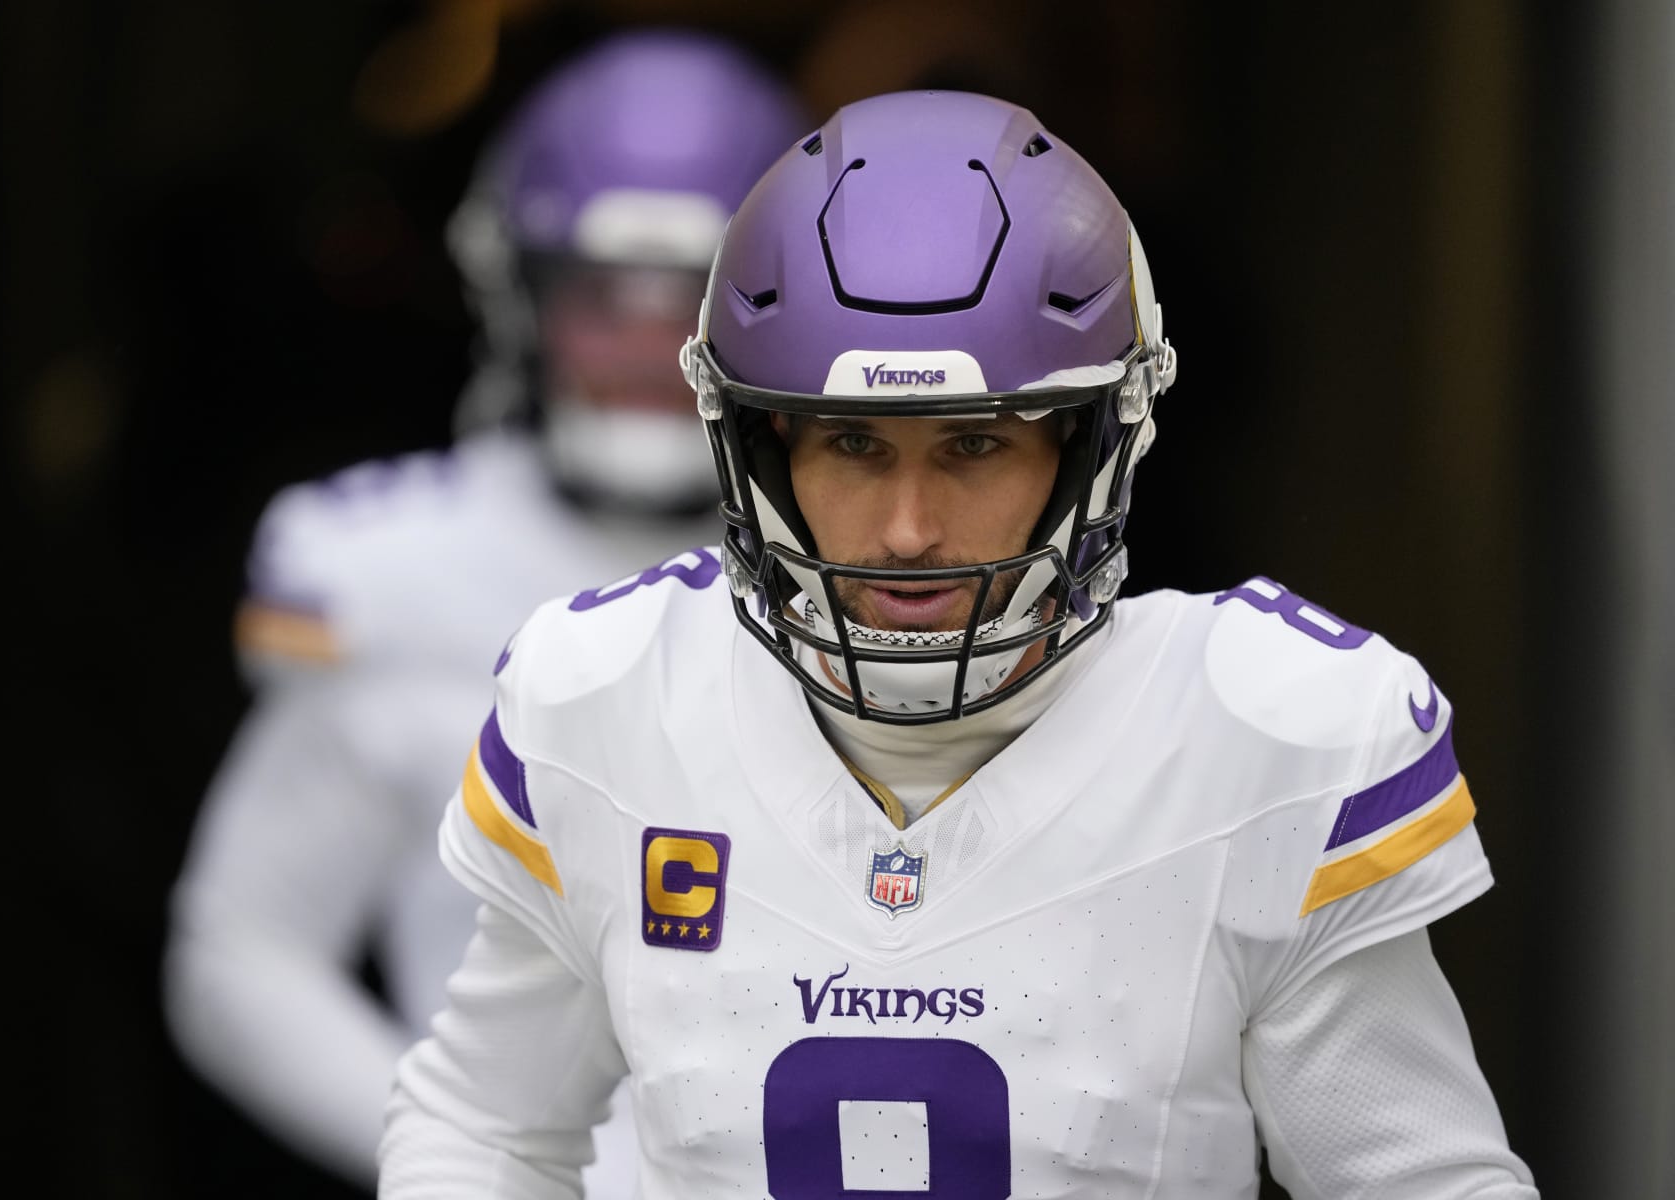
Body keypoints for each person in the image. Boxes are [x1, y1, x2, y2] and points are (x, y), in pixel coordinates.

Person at [379, 89, 1540, 1198]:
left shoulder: (1261, 742)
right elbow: (481, 1123)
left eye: (975, 445)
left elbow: (1418, 1182)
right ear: (765, 446)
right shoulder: (615, 701)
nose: (907, 530)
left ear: (1094, 447)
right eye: (854, 444)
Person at [162, 30, 805, 1194]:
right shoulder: (399, 571)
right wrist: (466, 1160)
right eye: (601, 297)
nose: (645, 347)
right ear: (518, 292)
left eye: (694, 301)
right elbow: (242, 947)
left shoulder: (896, 554)